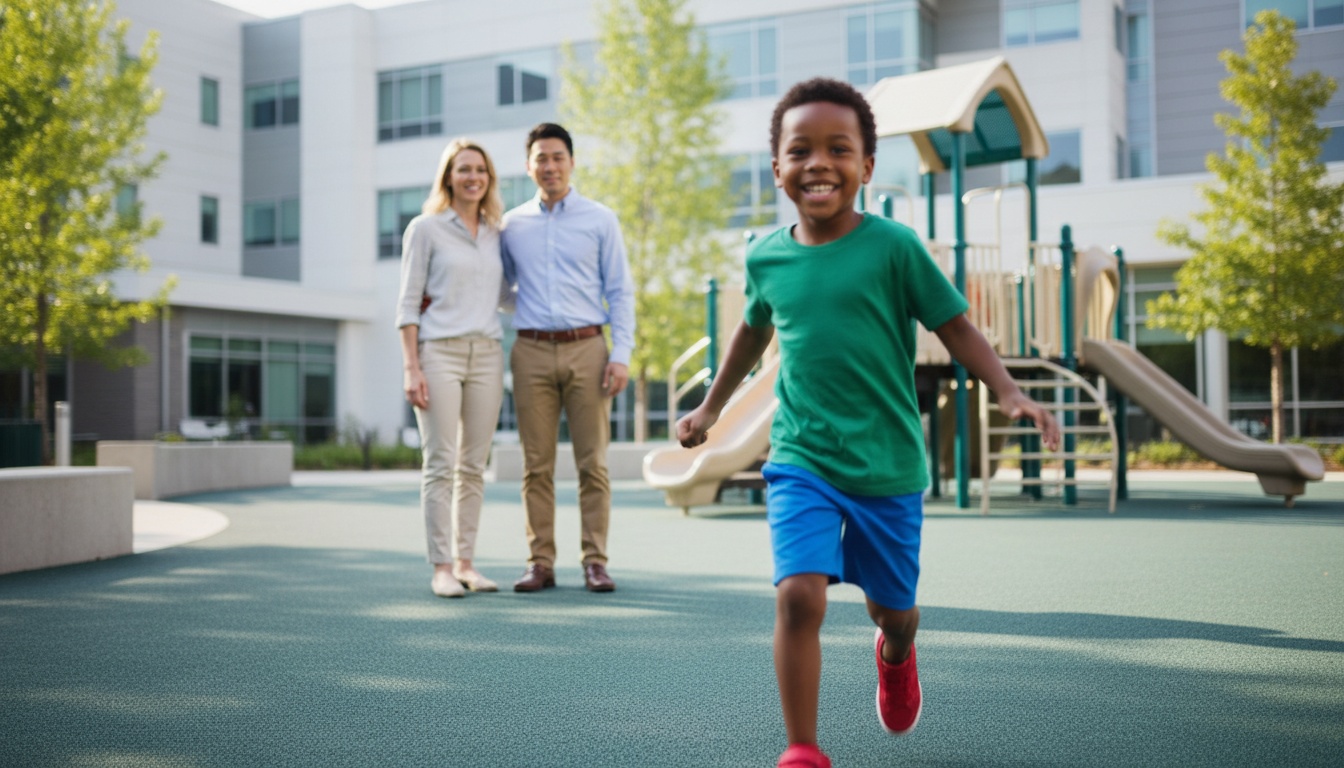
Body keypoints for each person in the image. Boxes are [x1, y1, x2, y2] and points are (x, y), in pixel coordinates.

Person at [676, 78, 1061, 768]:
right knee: (798, 595)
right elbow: (748, 338)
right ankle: (802, 749)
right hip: (802, 455)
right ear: (777, 169)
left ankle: (897, 653)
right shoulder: (767, 257)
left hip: (887, 464)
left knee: (895, 611)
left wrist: (1007, 390)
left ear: (867, 168)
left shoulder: (895, 248)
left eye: (838, 149)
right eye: (800, 150)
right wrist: (711, 407)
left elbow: (957, 326)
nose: (818, 163)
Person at [500, 123, 635, 593]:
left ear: (571, 162)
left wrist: (620, 354)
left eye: (558, 157)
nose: (550, 166)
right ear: (529, 165)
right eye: (541, 158)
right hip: (531, 351)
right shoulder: (512, 224)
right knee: (535, 465)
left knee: (592, 463)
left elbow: (620, 290)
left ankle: (595, 561)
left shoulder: (600, 220)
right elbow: (500, 287)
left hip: (588, 349)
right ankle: (540, 562)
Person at [397, 138, 512, 599]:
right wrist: (411, 368)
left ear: (489, 179)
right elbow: (407, 303)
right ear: (448, 177)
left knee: (472, 467)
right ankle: (441, 567)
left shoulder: (496, 233)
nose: (473, 177)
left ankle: (467, 563)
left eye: (480, 170)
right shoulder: (425, 228)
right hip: (438, 352)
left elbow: (505, 297)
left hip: (487, 353)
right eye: (463, 169)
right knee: (441, 464)